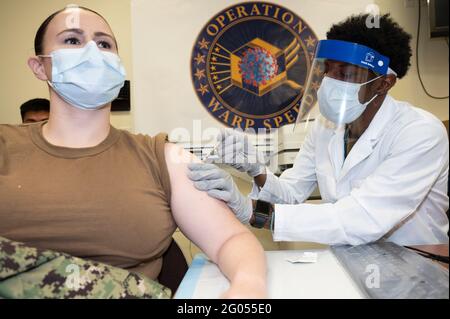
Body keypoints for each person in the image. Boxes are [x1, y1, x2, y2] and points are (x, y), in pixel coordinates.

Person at [0, 5, 266, 298]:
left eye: (104, 44)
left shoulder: (159, 156)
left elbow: (231, 240)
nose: (92, 52)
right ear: (40, 66)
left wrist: (247, 287)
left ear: (118, 66)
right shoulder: (5, 145)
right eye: (72, 41)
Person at [188, 14, 449, 246]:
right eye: (327, 70)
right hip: (351, 257)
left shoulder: (420, 132)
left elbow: (362, 218)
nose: (329, 82)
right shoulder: (325, 128)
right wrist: (257, 171)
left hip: (417, 265)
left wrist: (250, 210)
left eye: (345, 74)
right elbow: (291, 194)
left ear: (384, 83)